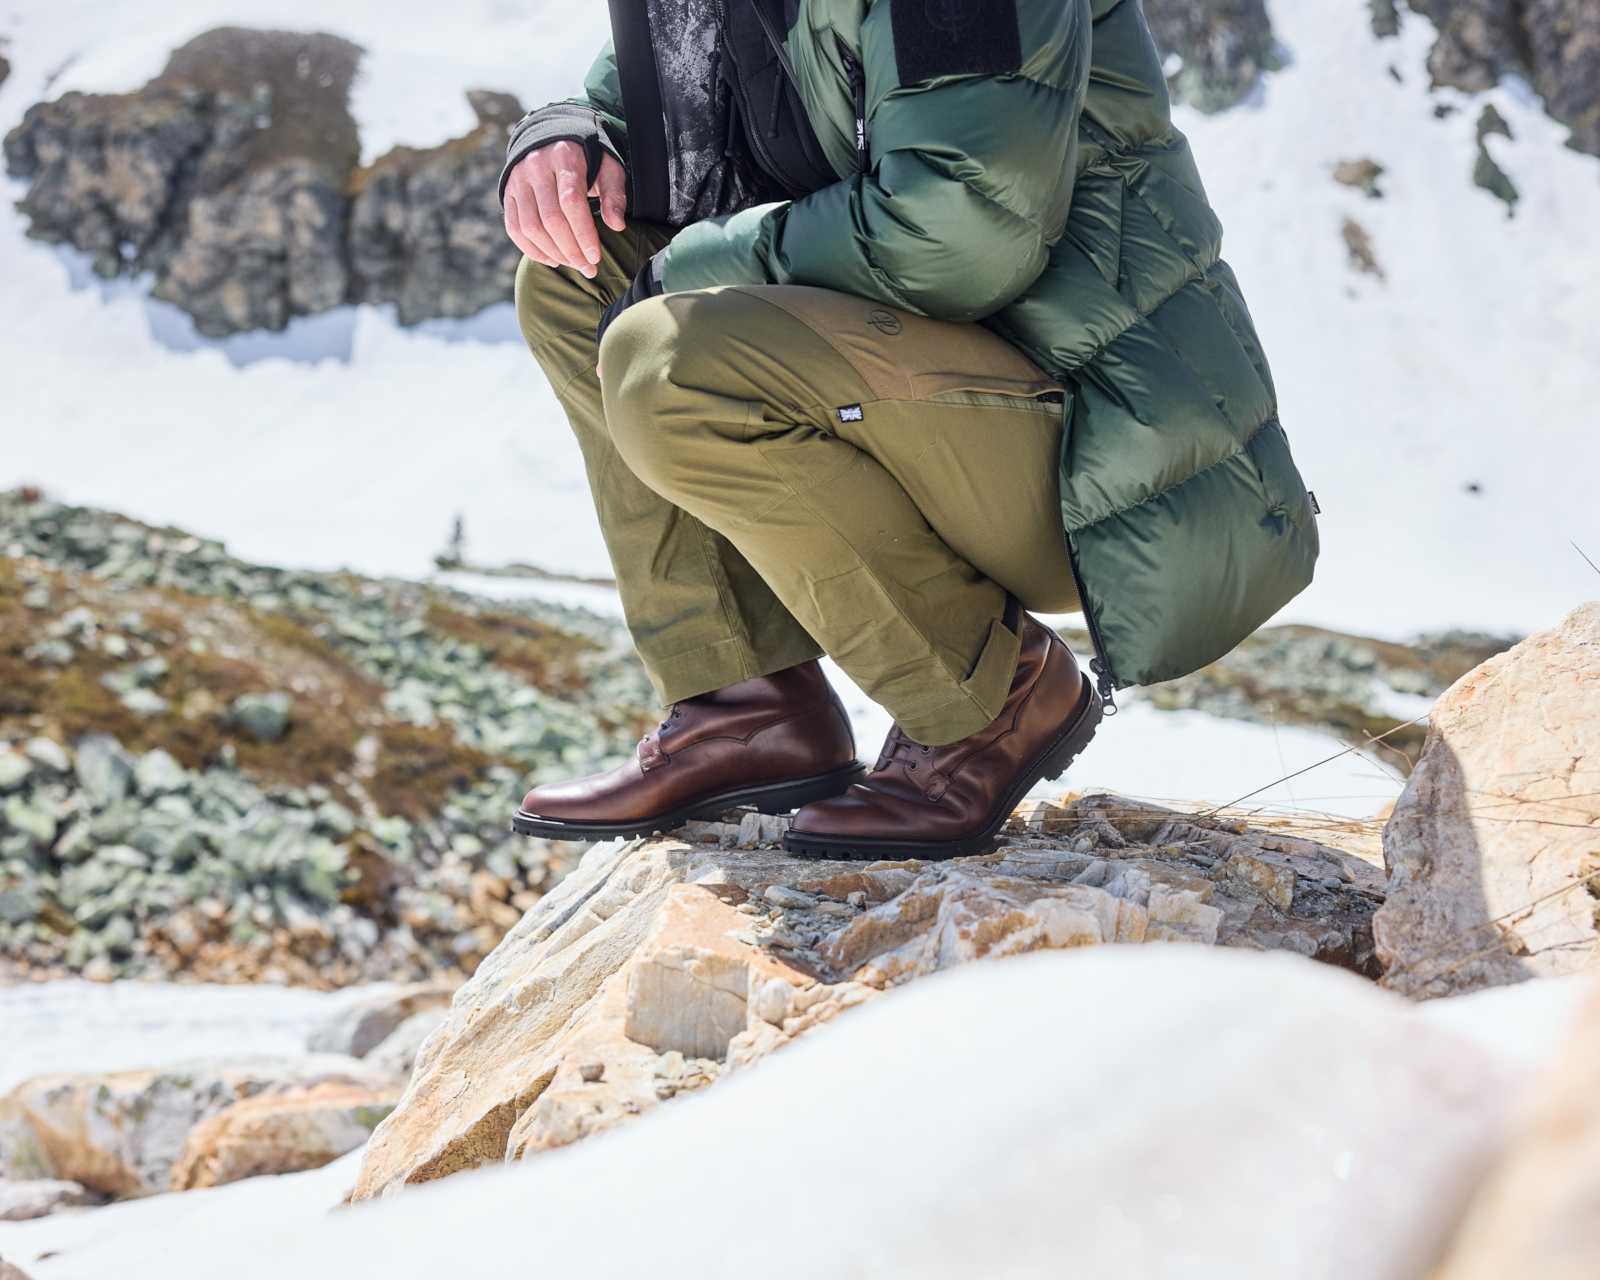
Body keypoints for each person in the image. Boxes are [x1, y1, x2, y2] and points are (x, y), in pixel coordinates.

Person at [499, 0, 1318, 860]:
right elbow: (633, 110)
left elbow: (959, 232)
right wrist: (563, 137)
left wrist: (686, 268)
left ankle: (993, 694)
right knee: (574, 276)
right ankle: (747, 707)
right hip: (949, 388)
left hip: (1095, 437)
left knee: (666, 359)